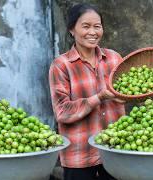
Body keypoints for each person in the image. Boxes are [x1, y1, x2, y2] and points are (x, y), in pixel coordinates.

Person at [49, 3, 125, 180]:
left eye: (97, 26)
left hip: (114, 148)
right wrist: (99, 97)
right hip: (79, 153)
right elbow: (62, 112)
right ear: (71, 30)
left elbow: (125, 93)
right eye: (86, 26)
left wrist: (126, 97)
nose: (93, 32)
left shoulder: (114, 58)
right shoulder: (61, 65)